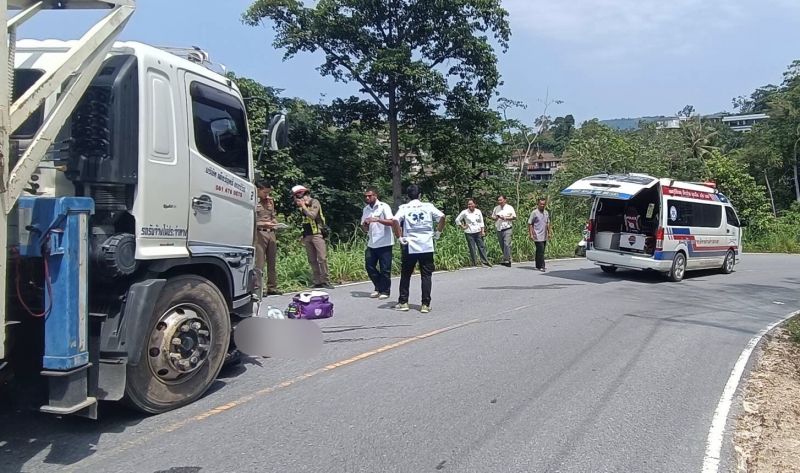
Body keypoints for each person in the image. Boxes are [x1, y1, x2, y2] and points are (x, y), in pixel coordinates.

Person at [392, 184, 445, 314]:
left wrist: (399, 236)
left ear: (408, 196)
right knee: (426, 275)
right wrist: (438, 232)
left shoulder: (404, 207)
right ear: (420, 195)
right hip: (426, 245)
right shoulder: (428, 206)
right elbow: (442, 217)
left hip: (410, 245)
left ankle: (403, 302)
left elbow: (394, 220)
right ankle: (425, 304)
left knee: (406, 274)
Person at [292, 184, 333, 289]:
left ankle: (326, 280)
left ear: (304, 194)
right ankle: (317, 281)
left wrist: (304, 206)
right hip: (307, 235)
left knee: (322, 258)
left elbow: (312, 215)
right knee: (312, 260)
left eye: (298, 197)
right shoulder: (301, 207)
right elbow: (304, 221)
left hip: (317, 234)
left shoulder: (314, 202)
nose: (297, 200)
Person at [360, 187, 394, 299]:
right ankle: (378, 286)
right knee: (369, 266)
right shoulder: (366, 209)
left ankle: (385, 291)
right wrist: (365, 225)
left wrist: (377, 219)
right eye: (366, 196)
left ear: (375, 196)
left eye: (369, 196)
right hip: (372, 242)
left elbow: (391, 222)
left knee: (385, 269)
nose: (367, 198)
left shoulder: (384, 206)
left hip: (385, 241)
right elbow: (364, 228)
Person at [254, 179, 280, 295]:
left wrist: (274, 222)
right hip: (260, 233)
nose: (267, 195)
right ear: (258, 190)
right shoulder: (253, 202)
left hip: (271, 232)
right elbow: (251, 221)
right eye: (265, 192)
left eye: (268, 193)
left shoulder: (270, 202)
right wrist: (263, 224)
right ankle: (259, 288)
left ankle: (272, 287)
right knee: (259, 262)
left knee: (272, 261)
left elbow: (272, 215)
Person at [454, 198, 491, 267]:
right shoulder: (464, 212)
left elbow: (481, 222)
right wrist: (463, 226)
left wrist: (482, 231)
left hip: (478, 231)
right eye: (468, 204)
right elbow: (457, 220)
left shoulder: (478, 211)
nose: (470, 205)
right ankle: (475, 263)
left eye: (471, 204)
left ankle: (485, 262)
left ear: (474, 204)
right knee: (472, 248)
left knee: (481, 246)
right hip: (469, 232)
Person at [528, 198, 553, 272]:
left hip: (544, 234)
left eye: (543, 204)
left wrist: (549, 232)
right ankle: (542, 266)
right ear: (538, 204)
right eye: (541, 204)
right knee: (541, 250)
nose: (542, 205)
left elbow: (548, 223)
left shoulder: (546, 212)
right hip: (537, 234)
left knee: (540, 251)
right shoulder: (534, 213)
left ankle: (537, 265)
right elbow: (530, 223)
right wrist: (531, 234)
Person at [490, 195, 516, 266]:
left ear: (505, 200)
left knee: (507, 244)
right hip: (499, 228)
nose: (500, 202)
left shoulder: (509, 208)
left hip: (507, 228)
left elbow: (514, 217)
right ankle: (507, 258)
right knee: (502, 245)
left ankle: (507, 260)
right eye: (498, 200)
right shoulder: (496, 208)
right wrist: (496, 218)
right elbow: (493, 217)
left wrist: (505, 218)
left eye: (501, 200)